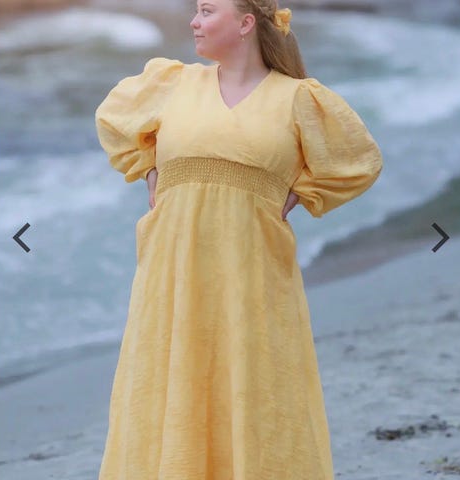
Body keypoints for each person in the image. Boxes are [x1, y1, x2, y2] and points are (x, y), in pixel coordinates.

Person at [94, 0, 383, 478]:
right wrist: (149, 168)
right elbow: (113, 122)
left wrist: (301, 192)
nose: (194, 21)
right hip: (172, 275)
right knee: (170, 382)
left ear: (246, 23)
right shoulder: (172, 84)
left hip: (254, 277)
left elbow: (359, 161)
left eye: (207, 11)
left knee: (253, 390)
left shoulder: (298, 98)